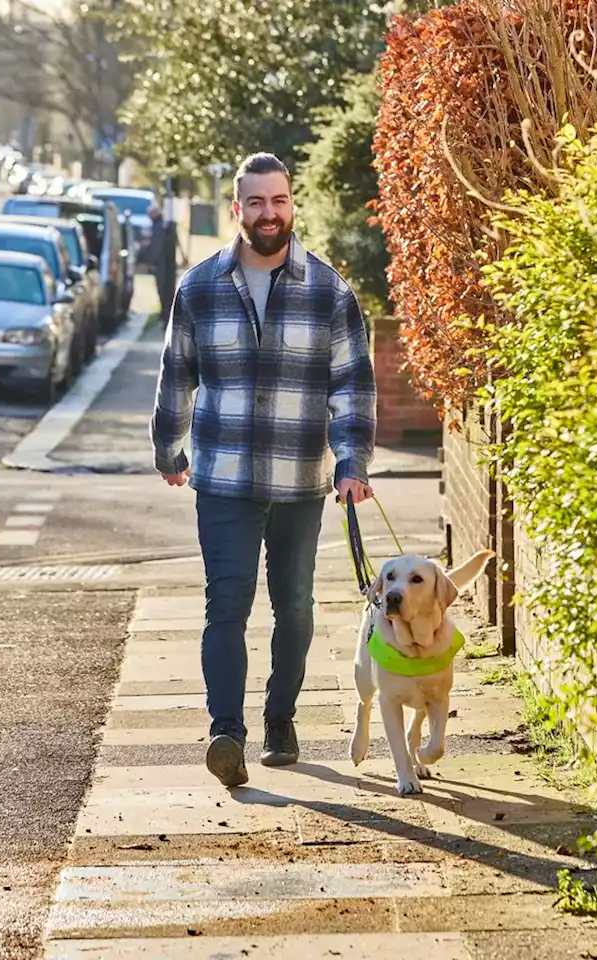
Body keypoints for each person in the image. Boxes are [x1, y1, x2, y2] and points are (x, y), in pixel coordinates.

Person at [151, 152, 376, 788]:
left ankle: (281, 718)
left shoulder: (329, 292)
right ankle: (227, 731)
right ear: (237, 210)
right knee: (226, 603)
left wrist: (351, 462)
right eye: (255, 202)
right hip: (222, 477)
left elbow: (352, 387)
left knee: (295, 608)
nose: (268, 213)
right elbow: (178, 375)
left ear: (292, 205)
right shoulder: (198, 287)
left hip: (301, 480)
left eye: (278, 201)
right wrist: (170, 448)